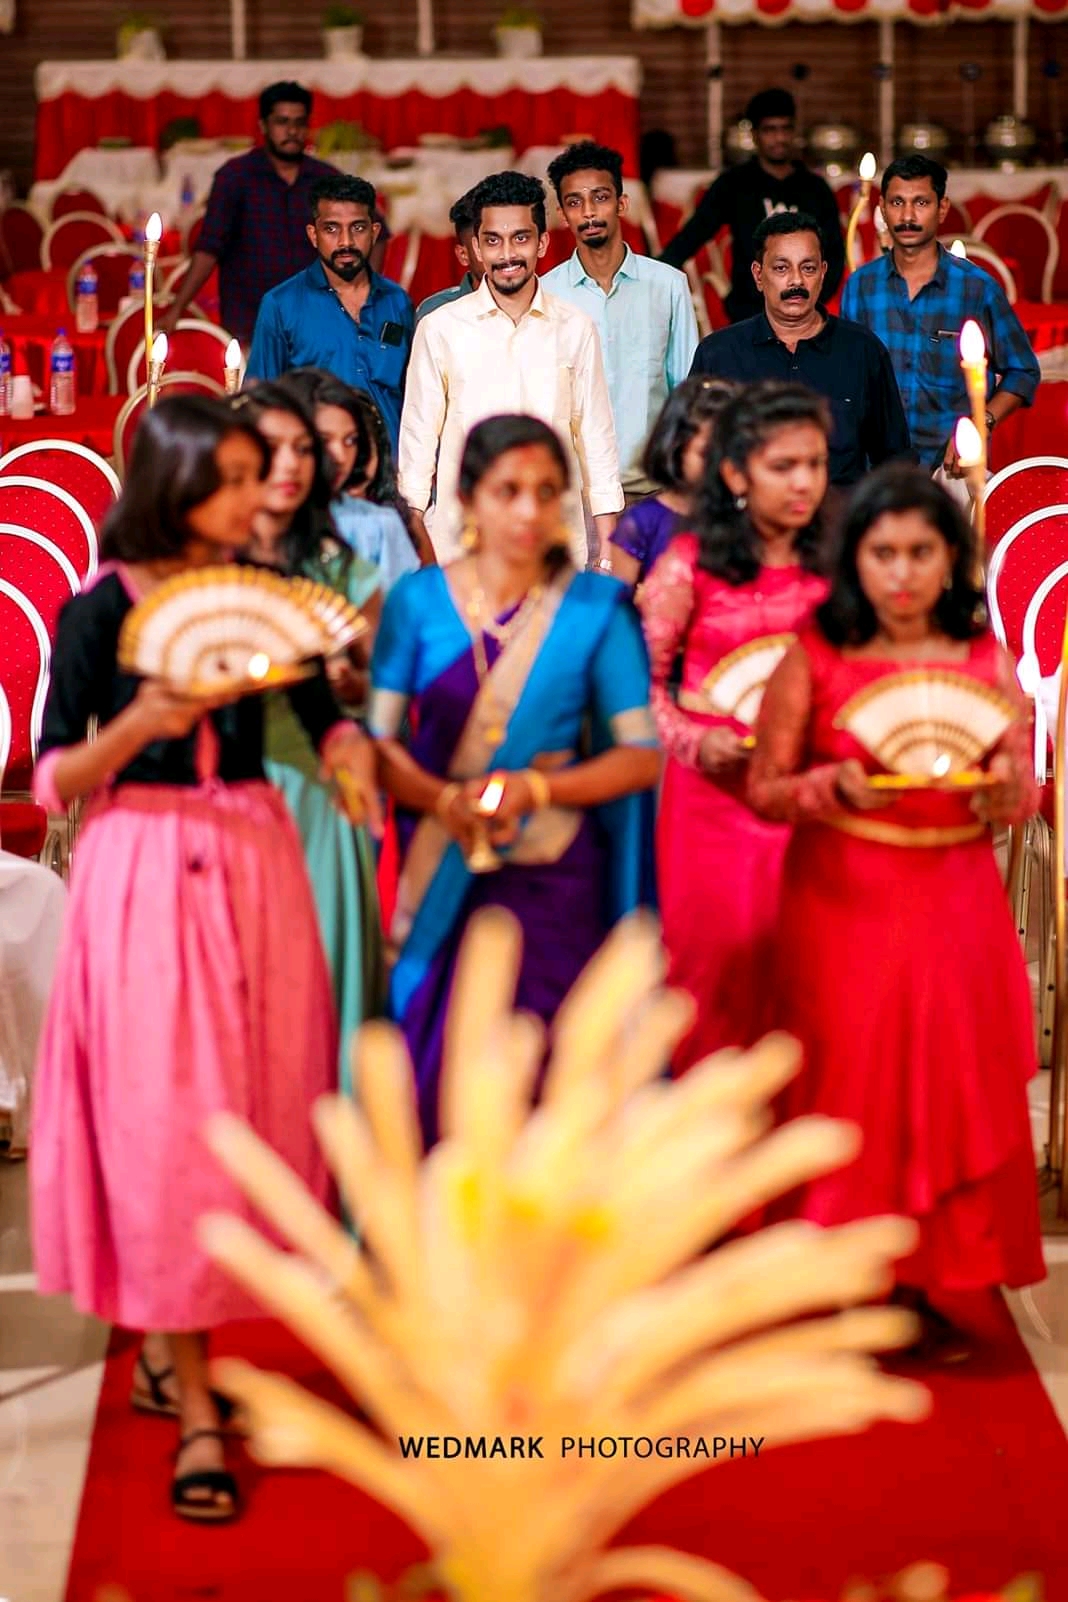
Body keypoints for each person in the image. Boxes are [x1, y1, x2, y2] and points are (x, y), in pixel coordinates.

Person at [28, 396, 379, 1521]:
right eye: (232, 476)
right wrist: (143, 724)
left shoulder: (265, 592)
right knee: (168, 1127)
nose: (257, 492)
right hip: (142, 868)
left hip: (259, 864)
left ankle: (177, 1348)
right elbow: (53, 779)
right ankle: (194, 1414)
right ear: (176, 485)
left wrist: (351, 755)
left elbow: (322, 718)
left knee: (252, 1114)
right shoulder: (99, 609)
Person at [748, 464, 1044, 1355]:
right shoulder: (815, 654)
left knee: (950, 1080)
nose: (904, 573)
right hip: (842, 895)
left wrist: (1005, 791)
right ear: (855, 560)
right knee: (851, 1081)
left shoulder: (985, 660)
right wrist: (823, 787)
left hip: (955, 897)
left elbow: (1023, 789)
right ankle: (846, 1278)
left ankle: (932, 1279)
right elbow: (765, 786)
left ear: (952, 560)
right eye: (885, 553)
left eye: (922, 552)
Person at [369, 413, 659, 1143]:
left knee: (554, 1080)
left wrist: (539, 789)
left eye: (546, 492)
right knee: (437, 1077)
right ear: (468, 497)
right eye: (508, 491)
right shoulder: (417, 602)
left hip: (555, 876)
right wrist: (443, 800)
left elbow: (640, 754)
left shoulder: (597, 611)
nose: (529, 511)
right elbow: (376, 744)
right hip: (441, 861)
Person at [639, 382, 830, 1071]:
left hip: (807, 797)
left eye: (815, 463)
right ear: (735, 473)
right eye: (784, 466)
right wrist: (696, 741)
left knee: (805, 973)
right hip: (711, 800)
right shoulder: (689, 564)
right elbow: (641, 687)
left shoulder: (834, 567)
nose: (804, 482)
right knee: (710, 971)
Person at [235, 382, 385, 1090]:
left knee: (320, 985)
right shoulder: (199, 565)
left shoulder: (340, 567)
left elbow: (385, 687)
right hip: (226, 792)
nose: (293, 463)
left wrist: (351, 687)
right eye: (274, 448)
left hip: (320, 793)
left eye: (304, 448)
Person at [397, 171, 623, 569]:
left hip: (553, 542)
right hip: (463, 546)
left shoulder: (575, 327)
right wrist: (411, 538)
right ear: (476, 247)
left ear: (542, 243)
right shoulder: (440, 329)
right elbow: (417, 441)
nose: (507, 255)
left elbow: (596, 438)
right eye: (493, 240)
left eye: (520, 238)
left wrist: (607, 550)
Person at [840, 155, 1039, 476]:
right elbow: (848, 378)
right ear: (882, 209)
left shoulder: (976, 288)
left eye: (921, 203)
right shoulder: (861, 286)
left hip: (952, 469)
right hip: (876, 470)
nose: (907, 216)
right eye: (897, 203)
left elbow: (1024, 370)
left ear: (942, 208)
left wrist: (980, 425)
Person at [690, 212, 912, 489]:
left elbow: (894, 460)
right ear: (758, 275)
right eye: (781, 268)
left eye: (808, 268)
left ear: (823, 272)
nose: (796, 281)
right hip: (745, 512)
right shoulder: (718, 354)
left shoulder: (863, 350)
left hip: (839, 511)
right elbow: (693, 456)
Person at [542, 141, 698, 502]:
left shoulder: (668, 285)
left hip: (653, 489)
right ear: (563, 215)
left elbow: (686, 390)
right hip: (577, 494)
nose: (589, 212)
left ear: (622, 204)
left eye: (600, 197)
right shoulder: (546, 294)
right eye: (575, 202)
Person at [159, 81, 338, 344]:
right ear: (263, 125)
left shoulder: (326, 179)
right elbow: (209, 248)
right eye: (282, 122)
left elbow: (374, 233)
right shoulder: (236, 177)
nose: (292, 131)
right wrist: (177, 308)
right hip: (250, 325)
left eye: (299, 123)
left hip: (314, 324)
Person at [246, 174, 414, 451]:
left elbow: (414, 397)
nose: (346, 242)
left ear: (374, 232)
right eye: (331, 229)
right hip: (319, 468)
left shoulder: (397, 302)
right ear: (313, 235)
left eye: (357, 228)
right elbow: (260, 401)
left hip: (390, 466)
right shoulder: (280, 304)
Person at [659, 88, 845, 325]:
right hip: (747, 313)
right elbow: (691, 237)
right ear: (755, 134)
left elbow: (834, 254)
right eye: (770, 130)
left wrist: (811, 303)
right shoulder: (735, 184)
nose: (779, 138)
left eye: (785, 129)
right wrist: (649, 277)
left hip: (803, 312)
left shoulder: (815, 188)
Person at [279, 368, 423, 591]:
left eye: (350, 441)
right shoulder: (258, 521)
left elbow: (401, 606)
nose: (340, 456)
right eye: (325, 439)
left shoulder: (376, 525)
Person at [610, 374, 736, 589]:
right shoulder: (642, 522)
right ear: (675, 448)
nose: (720, 464)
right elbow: (619, 602)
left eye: (731, 452)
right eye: (706, 454)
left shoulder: (745, 519)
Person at [415, 189, 484, 322]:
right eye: (490, 242)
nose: (505, 254)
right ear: (463, 254)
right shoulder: (434, 312)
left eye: (519, 239)